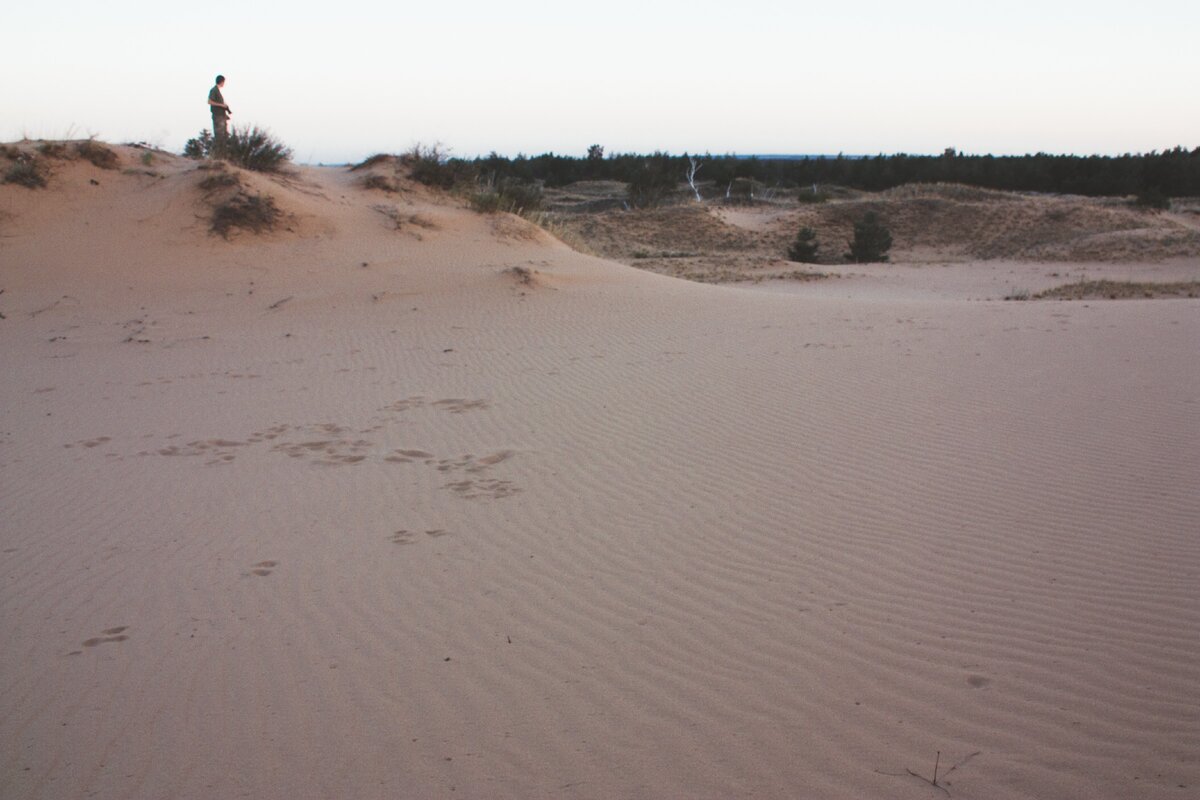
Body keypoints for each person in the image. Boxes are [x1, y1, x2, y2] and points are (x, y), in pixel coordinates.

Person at [208, 75, 231, 144]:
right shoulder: (214, 90)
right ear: (222, 82)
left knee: (224, 136)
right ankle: (218, 153)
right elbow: (209, 101)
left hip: (222, 116)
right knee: (219, 137)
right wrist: (221, 105)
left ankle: (222, 153)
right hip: (218, 116)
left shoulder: (217, 91)